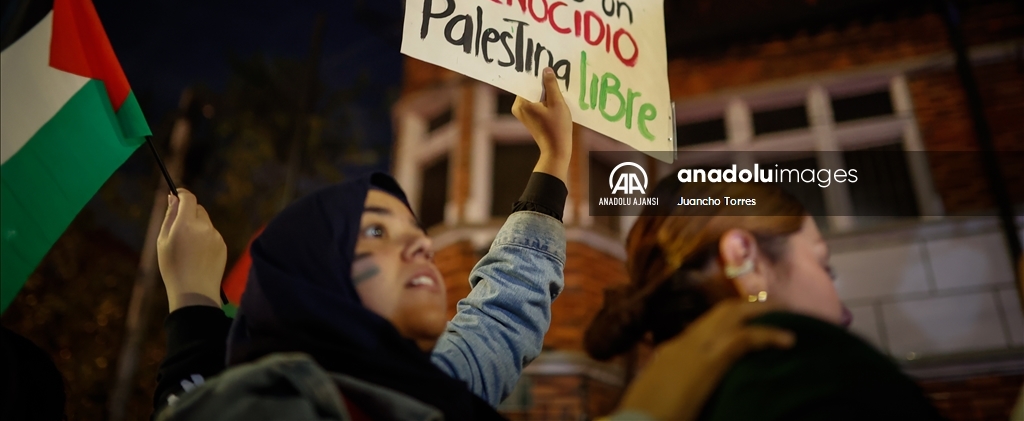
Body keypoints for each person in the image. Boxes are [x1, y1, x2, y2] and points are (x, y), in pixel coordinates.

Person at [154, 70, 796, 420]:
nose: (420, 247)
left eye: (416, 233)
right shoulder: (271, 404)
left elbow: (503, 310)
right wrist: (191, 299)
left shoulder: (436, 384)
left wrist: (554, 159)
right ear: (310, 281)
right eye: (376, 231)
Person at [584, 177, 947, 421]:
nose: (844, 312)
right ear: (746, 259)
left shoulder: (658, 404)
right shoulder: (813, 375)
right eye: (824, 266)